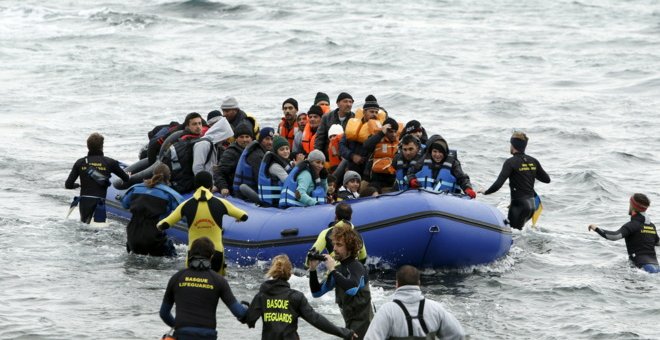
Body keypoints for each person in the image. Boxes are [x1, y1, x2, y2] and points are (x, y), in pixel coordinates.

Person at [244, 254, 355, 340]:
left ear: (272, 272)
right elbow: (316, 320)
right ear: (290, 273)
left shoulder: (262, 296)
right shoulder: (295, 297)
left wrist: (246, 307)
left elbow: (249, 320)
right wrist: (345, 333)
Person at [158, 171, 248, 275]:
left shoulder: (185, 205)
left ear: (195, 186)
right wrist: (239, 218)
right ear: (211, 185)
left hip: (193, 254)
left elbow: (163, 224)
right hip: (216, 254)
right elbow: (244, 216)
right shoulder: (222, 203)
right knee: (217, 286)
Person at [160, 237, 248, 340]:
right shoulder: (218, 280)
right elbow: (239, 313)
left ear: (190, 254)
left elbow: (164, 313)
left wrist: (178, 326)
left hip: (182, 334)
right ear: (211, 257)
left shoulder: (177, 278)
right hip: (208, 336)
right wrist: (247, 309)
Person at [364, 265, 465, 340]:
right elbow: (458, 334)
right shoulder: (436, 308)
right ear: (419, 283)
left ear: (397, 284)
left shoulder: (387, 311)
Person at [309, 223, 373, 339]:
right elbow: (316, 292)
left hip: (368, 332)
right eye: (334, 244)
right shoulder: (338, 271)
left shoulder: (357, 267)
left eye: (339, 245)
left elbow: (352, 289)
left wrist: (332, 270)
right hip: (350, 330)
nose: (334, 249)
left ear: (349, 247)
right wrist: (313, 269)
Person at [479, 131, 550, 230]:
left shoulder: (510, 162)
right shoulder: (533, 161)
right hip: (531, 206)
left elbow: (498, 184)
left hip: (519, 206)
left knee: (513, 237)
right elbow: (547, 179)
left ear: (513, 145)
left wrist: (485, 192)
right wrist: (530, 171)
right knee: (520, 234)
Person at [65, 132, 130, 223]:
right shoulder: (110, 162)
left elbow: (68, 185)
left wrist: (77, 185)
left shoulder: (80, 162)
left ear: (88, 146)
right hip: (100, 203)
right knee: (98, 229)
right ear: (102, 146)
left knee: (84, 227)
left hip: (84, 202)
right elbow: (126, 179)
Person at [588, 193, 660, 273]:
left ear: (633, 206)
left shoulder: (632, 225)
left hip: (643, 268)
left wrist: (596, 228)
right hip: (656, 267)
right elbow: (657, 242)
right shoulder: (651, 226)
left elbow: (614, 236)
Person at [121, 163, 182, 256]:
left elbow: (125, 204)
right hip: (154, 238)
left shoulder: (135, 188)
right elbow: (185, 212)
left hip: (132, 236)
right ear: (168, 177)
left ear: (152, 174)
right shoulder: (170, 194)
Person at [408, 135, 476, 199]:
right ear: (431, 151)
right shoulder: (424, 160)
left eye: (441, 152)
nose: (437, 155)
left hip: (447, 200)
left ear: (445, 152)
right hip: (424, 197)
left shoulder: (453, 163)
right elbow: (410, 172)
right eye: (435, 151)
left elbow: (462, 178)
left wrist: (468, 188)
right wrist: (411, 180)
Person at [340, 95, 383, 177]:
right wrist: (352, 156)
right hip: (352, 163)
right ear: (364, 112)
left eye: (376, 112)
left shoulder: (380, 129)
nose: (374, 114)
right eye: (371, 112)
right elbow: (342, 145)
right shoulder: (353, 125)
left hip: (369, 166)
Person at [233, 127, 275, 199]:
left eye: (271, 139)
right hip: (249, 194)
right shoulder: (256, 155)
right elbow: (261, 179)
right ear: (261, 140)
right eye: (267, 139)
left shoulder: (265, 152)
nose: (270, 142)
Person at [214, 124, 254, 196]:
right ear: (236, 139)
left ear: (251, 138)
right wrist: (223, 187)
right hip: (235, 190)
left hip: (251, 187)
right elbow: (218, 172)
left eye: (247, 137)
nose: (245, 140)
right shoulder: (231, 153)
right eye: (241, 137)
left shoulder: (255, 151)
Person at [362, 117, 400, 192]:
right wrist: (381, 133)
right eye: (391, 132)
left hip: (392, 178)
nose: (393, 134)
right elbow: (366, 146)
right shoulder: (377, 138)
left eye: (395, 132)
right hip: (376, 178)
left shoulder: (400, 142)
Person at [192, 111, 233, 175]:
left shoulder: (214, 145)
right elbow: (197, 168)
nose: (226, 139)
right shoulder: (203, 144)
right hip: (204, 183)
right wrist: (205, 184)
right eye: (225, 135)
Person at [315, 92, 355, 157]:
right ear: (338, 103)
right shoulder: (327, 117)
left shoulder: (355, 118)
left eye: (350, 102)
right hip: (329, 154)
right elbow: (319, 138)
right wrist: (318, 156)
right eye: (345, 101)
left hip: (347, 156)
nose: (348, 104)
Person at [258, 136, 294, 206]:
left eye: (287, 148)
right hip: (275, 203)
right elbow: (288, 181)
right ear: (276, 152)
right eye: (282, 149)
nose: (285, 151)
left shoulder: (286, 162)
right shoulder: (275, 166)